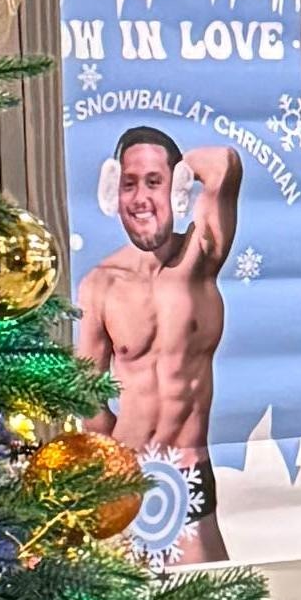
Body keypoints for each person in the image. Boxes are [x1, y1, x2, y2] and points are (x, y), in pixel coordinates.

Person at [71, 119, 239, 563]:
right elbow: (86, 395)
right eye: (128, 184)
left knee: (211, 598)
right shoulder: (100, 284)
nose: (140, 198)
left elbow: (224, 164)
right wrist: (117, 469)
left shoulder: (200, 258)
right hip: (126, 479)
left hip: (187, 472)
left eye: (154, 182)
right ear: (113, 192)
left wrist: (183, 170)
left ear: (177, 191)